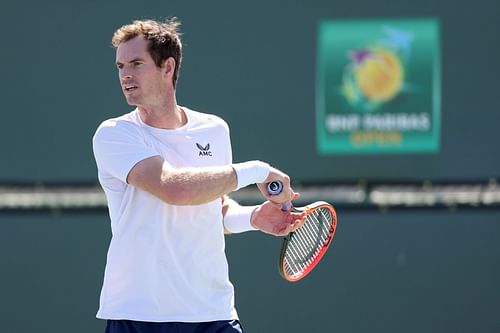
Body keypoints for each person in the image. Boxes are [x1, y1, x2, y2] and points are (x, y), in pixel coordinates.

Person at [92, 18, 305, 333]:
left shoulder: (214, 130)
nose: (125, 74)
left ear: (167, 67)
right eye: (120, 66)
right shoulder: (114, 134)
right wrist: (257, 170)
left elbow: (211, 207)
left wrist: (253, 218)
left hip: (213, 313)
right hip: (139, 315)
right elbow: (175, 190)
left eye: (136, 63)